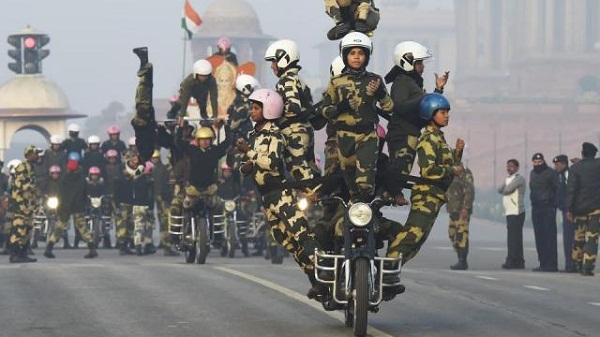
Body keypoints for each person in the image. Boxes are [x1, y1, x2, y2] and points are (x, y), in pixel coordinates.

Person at [236, 88, 323, 298]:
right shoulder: (255, 135)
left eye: (256, 108)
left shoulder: (274, 134)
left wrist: (249, 151)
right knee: (287, 241)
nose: (252, 111)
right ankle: (317, 282)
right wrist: (245, 165)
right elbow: (253, 163)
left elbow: (273, 163)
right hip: (266, 197)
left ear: (269, 110)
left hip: (280, 194)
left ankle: (326, 272)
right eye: (252, 107)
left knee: (302, 234)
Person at [385, 94, 464, 277]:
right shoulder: (428, 139)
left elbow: (446, 164)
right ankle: (387, 267)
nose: (447, 116)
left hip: (435, 196)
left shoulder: (439, 138)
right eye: (442, 112)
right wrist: (452, 169)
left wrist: (457, 153)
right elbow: (429, 170)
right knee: (412, 235)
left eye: (447, 112)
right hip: (426, 196)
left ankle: (391, 270)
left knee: (417, 241)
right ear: (431, 114)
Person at [321, 32, 393, 203]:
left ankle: (365, 214)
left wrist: (380, 92)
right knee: (350, 183)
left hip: (367, 136)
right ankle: (354, 218)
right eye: (352, 53)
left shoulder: (375, 80)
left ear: (366, 57)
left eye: (360, 53)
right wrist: (341, 107)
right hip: (344, 137)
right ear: (345, 56)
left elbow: (389, 107)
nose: (356, 57)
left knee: (365, 184)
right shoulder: (336, 82)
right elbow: (325, 110)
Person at [384, 41, 450, 206]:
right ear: (407, 62)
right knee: (398, 171)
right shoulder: (403, 81)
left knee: (402, 170)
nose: (423, 67)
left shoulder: (411, 82)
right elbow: (399, 106)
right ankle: (387, 194)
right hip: (402, 134)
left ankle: (390, 194)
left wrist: (438, 91)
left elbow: (423, 112)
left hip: (410, 132)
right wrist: (423, 97)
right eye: (419, 63)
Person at [264, 39, 319, 182]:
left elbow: (293, 108)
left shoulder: (286, 80)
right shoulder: (299, 78)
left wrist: (272, 111)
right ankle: (322, 195)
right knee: (311, 168)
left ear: (284, 59)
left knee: (298, 170)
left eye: (274, 61)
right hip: (306, 129)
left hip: (294, 132)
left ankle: (314, 196)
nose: (272, 66)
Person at [43, 152, 99, 259]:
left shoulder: (64, 179)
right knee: (83, 228)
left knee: (59, 228)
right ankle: (92, 249)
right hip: (78, 207)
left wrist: (59, 207)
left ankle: (48, 248)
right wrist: (85, 204)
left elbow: (60, 194)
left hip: (65, 207)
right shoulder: (82, 179)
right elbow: (85, 193)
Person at [566, 142, 600, 276]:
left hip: (579, 209)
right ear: (595, 154)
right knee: (592, 237)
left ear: (582, 153)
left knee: (579, 237)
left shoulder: (575, 168)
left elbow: (571, 190)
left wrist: (569, 208)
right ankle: (588, 266)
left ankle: (578, 262)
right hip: (596, 208)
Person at [6, 146, 42, 263]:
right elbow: (19, 185)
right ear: (29, 154)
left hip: (28, 205)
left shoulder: (32, 167)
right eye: (36, 153)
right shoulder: (22, 167)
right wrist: (32, 187)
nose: (38, 156)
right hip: (20, 204)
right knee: (19, 229)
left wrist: (36, 199)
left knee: (27, 230)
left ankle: (22, 253)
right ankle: (14, 254)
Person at [529, 152, 558, 272]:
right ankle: (543, 263)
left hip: (548, 208)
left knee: (549, 237)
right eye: (535, 162)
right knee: (539, 237)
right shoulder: (532, 173)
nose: (537, 164)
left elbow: (556, 189)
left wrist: (553, 205)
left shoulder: (551, 173)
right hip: (536, 208)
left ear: (543, 161)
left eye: (539, 162)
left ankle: (551, 264)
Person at [114, 150, 144, 255]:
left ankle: (129, 244)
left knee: (132, 224)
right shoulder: (121, 172)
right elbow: (116, 189)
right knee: (122, 224)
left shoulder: (139, 171)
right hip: (123, 201)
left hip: (134, 201)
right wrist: (116, 204)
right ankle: (122, 245)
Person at [498, 159, 527, 269]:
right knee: (514, 237)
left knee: (514, 238)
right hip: (510, 211)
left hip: (517, 211)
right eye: (508, 166)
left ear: (517, 168)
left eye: (511, 166)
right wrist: (506, 181)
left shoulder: (519, 178)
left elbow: (507, 190)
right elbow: (499, 189)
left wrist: (507, 184)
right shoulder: (509, 179)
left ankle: (513, 260)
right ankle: (518, 260)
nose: (509, 168)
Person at [445, 163, 475, 270]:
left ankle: (462, 261)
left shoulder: (465, 174)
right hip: (453, 210)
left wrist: (466, 208)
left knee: (461, 235)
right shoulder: (450, 173)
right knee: (452, 233)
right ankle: (459, 255)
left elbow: (469, 191)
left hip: (462, 210)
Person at [149, 150, 178, 256]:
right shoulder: (153, 169)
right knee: (162, 222)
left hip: (165, 198)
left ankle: (166, 244)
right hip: (158, 199)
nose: (154, 160)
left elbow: (166, 185)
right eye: (153, 158)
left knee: (166, 222)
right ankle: (165, 245)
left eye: (156, 158)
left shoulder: (165, 169)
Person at [553, 154, 577, 273]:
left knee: (570, 239)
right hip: (564, 210)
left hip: (570, 212)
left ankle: (572, 264)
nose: (555, 167)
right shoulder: (559, 176)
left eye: (557, 165)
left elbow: (571, 193)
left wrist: (569, 209)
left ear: (564, 164)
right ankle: (569, 264)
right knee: (567, 239)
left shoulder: (568, 175)